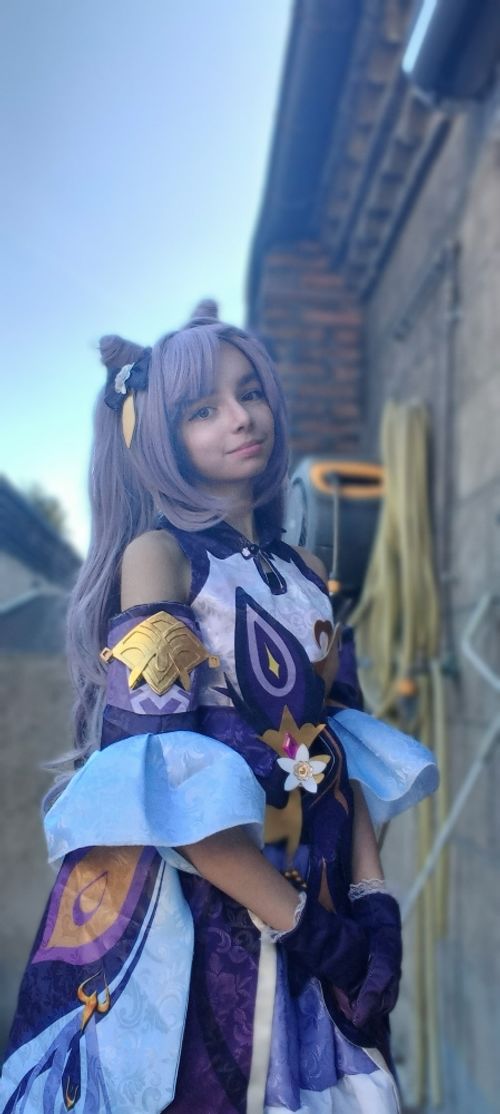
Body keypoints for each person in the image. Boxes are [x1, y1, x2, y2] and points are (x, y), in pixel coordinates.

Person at [0, 303, 438, 1114]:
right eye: (203, 409)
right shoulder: (159, 556)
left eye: (250, 393)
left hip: (324, 911)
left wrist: (374, 906)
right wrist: (310, 931)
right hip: (213, 932)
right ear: (160, 439)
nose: (240, 418)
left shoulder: (304, 567)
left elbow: (344, 744)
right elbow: (164, 787)